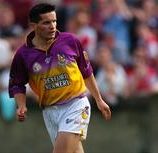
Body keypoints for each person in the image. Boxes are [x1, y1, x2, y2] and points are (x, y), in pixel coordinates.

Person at [8, 3, 111, 153]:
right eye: (46, 22)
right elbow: (17, 83)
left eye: (54, 21)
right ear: (33, 26)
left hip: (76, 104)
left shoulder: (70, 40)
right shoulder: (23, 54)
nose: (52, 26)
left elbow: (86, 71)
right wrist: (21, 105)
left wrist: (99, 99)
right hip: (50, 111)